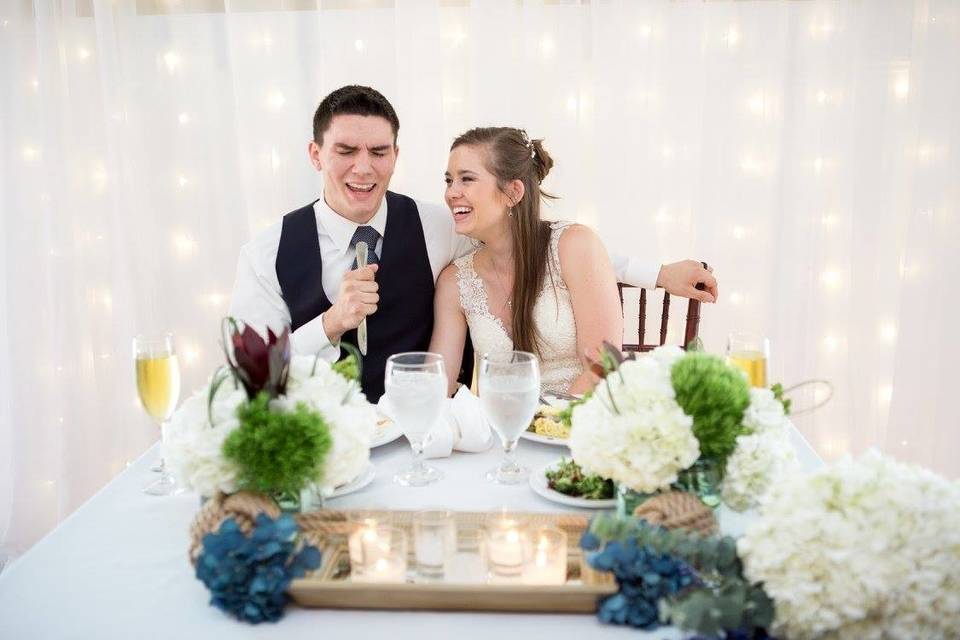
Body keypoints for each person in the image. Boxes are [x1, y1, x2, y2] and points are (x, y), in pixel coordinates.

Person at [229, 85, 718, 402]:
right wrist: (331, 323)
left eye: (378, 152)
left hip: (425, 435)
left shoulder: (437, 225)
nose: (363, 168)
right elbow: (248, 376)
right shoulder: (264, 254)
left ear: (396, 156)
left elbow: (542, 243)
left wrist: (657, 274)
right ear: (316, 155)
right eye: (345, 151)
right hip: (314, 439)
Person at [428, 127, 619, 396]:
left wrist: (548, 426)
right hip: (501, 432)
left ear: (513, 192)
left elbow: (602, 368)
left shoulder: (575, 246)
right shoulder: (454, 281)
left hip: (577, 424)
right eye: (449, 181)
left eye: (466, 179)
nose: (451, 193)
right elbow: (437, 385)